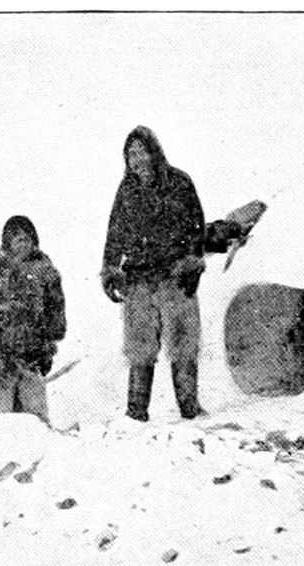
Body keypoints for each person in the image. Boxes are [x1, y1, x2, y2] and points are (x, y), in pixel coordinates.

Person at [100, 126, 247, 422]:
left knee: (183, 344)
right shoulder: (126, 190)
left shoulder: (179, 182)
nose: (137, 159)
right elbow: (115, 232)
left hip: (174, 277)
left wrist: (192, 263)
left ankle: (189, 409)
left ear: (154, 152)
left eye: (142, 152)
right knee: (140, 348)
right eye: (131, 154)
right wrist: (111, 268)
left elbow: (196, 226)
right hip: (139, 280)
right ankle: (136, 413)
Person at [0, 215, 66, 422]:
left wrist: (48, 346)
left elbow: (55, 311)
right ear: (7, 242)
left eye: (27, 239)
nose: (23, 244)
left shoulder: (45, 271)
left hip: (31, 358)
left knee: (34, 419)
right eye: (17, 239)